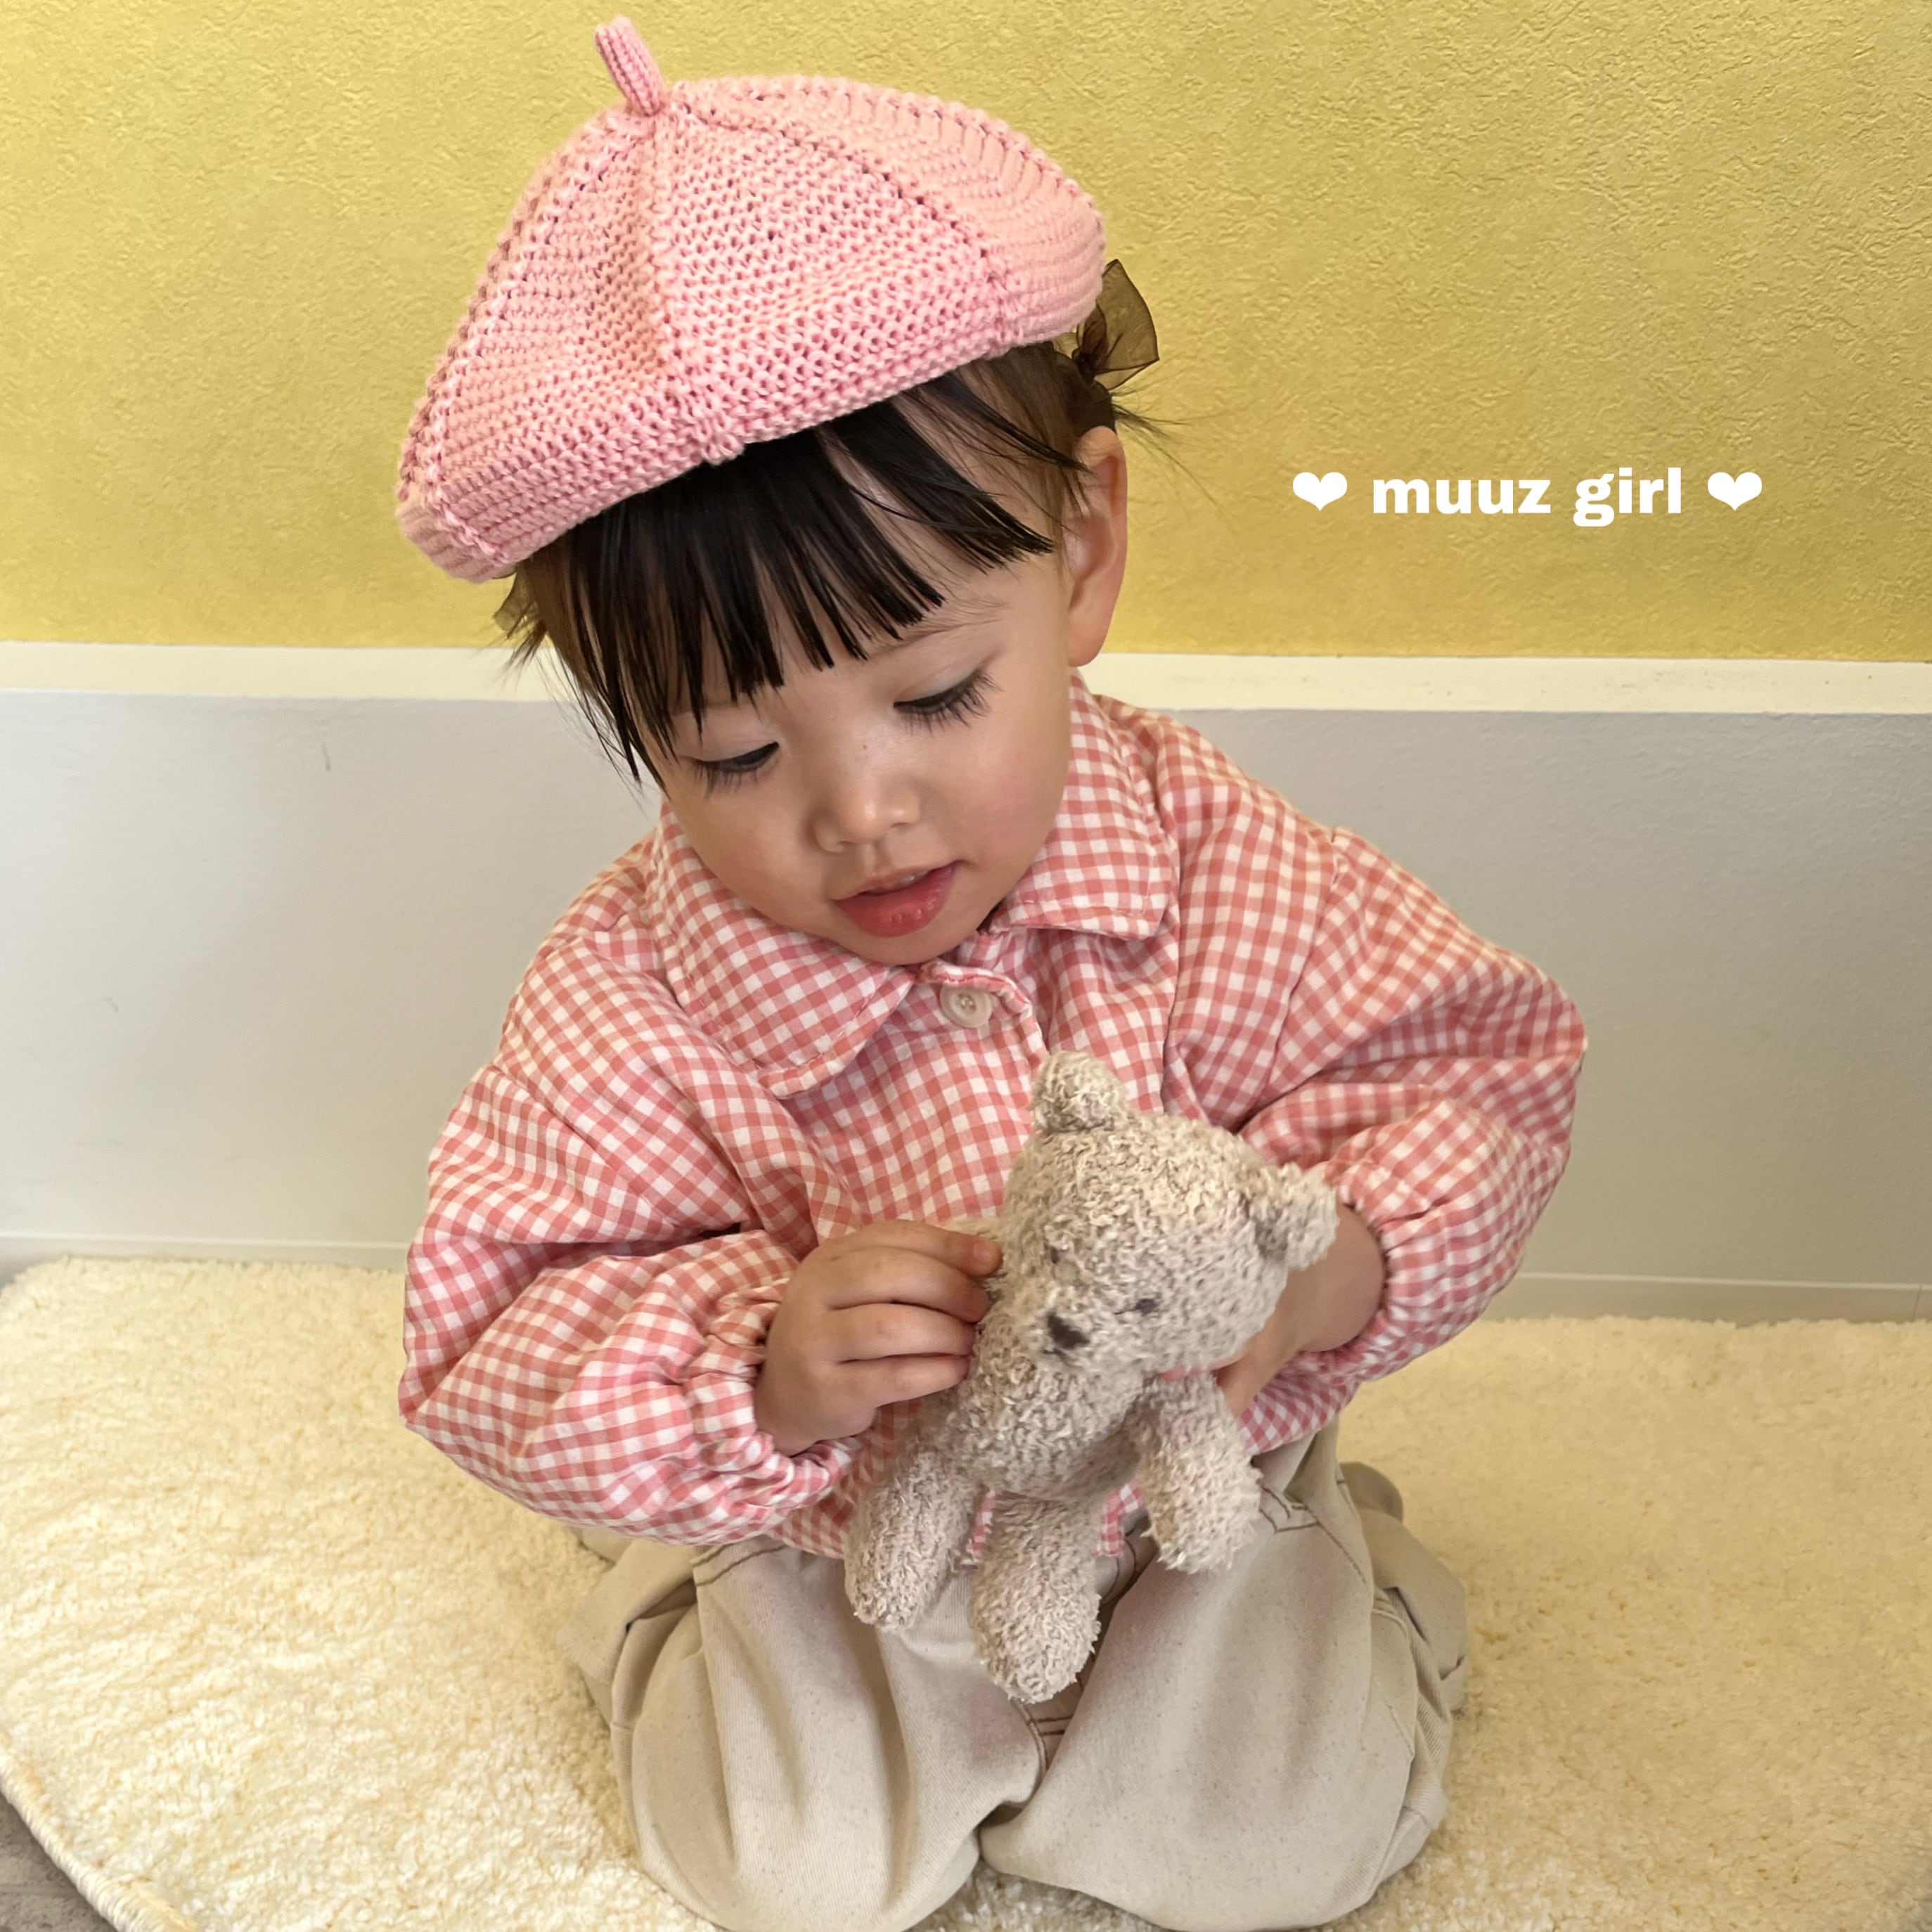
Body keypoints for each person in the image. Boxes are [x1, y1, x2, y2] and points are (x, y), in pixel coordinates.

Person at [394, 18, 1588, 1932]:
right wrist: (760, 1363)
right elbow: (485, 1332)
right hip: (853, 1535)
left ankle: (1350, 1590)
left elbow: (1477, 1071)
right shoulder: (637, 995)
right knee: (783, 1869)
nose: (862, 814)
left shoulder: (1206, 857)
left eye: (940, 693)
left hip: (1190, 1494)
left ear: (1082, 551)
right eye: (733, 752)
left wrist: (1331, 1269)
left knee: (1276, 1848)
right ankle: (666, 1613)